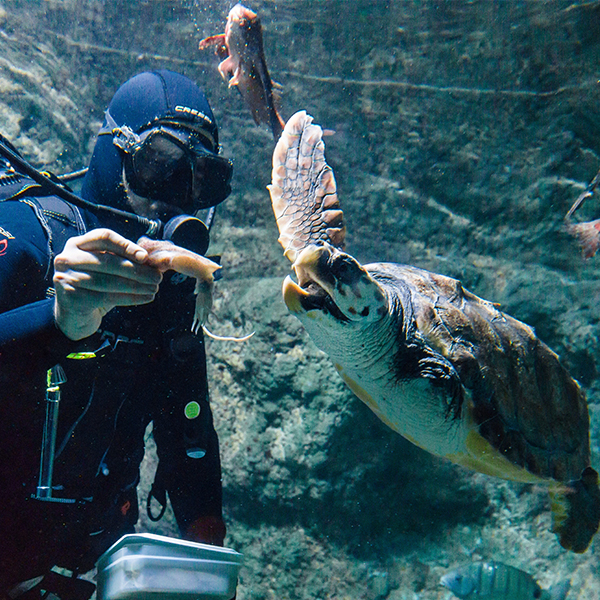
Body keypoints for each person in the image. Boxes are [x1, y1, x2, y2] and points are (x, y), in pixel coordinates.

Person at [0, 70, 234, 598]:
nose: (175, 202)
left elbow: (187, 430)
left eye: (203, 179)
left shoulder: (173, 302)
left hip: (81, 575)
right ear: (114, 155)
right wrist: (57, 320)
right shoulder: (26, 241)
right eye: (159, 165)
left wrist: (211, 552)